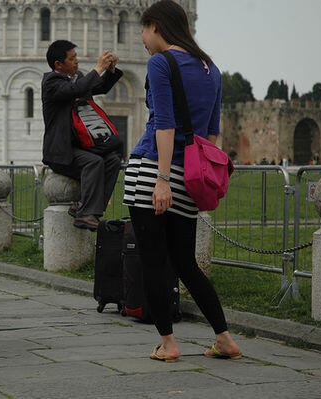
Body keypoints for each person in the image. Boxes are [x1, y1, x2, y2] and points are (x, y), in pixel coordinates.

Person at [123, 0, 241, 361]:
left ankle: (168, 344)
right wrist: (193, 174)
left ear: (156, 25)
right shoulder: (212, 69)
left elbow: (164, 124)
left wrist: (161, 178)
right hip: (190, 176)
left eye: (143, 30)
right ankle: (224, 339)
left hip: (151, 171)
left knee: (154, 261)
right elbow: (212, 133)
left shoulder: (161, 62)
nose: (142, 39)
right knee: (186, 263)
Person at [41, 40, 123, 231]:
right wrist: (98, 68)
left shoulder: (78, 78)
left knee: (112, 160)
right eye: (72, 58)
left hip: (82, 147)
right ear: (58, 65)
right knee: (94, 162)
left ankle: (89, 210)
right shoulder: (51, 83)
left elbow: (99, 87)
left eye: (76, 57)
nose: (77, 61)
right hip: (61, 153)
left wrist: (109, 70)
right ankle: (85, 213)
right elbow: (74, 90)